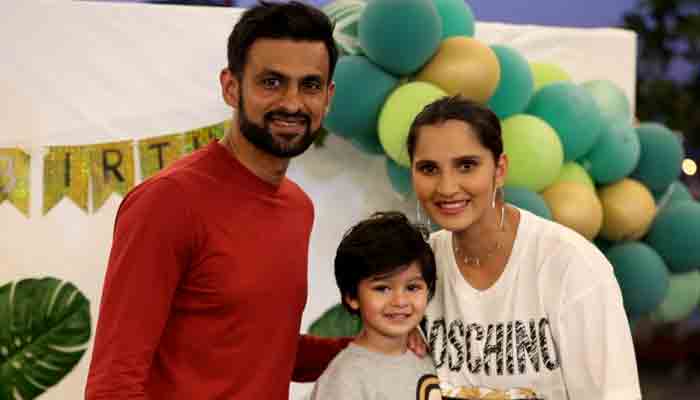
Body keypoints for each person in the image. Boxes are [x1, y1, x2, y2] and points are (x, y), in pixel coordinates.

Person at [85, 2, 350, 399]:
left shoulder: (297, 206)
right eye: (272, 82)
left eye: (309, 85)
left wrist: (380, 351)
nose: (293, 103)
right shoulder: (169, 201)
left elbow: (263, 347)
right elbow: (114, 382)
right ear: (231, 86)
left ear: (327, 97)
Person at [406, 95, 642, 400]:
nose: (447, 187)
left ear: (500, 169)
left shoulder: (571, 265)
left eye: (466, 165)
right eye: (428, 168)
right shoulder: (416, 269)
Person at [311, 211, 438, 400]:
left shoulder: (431, 356)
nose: (400, 301)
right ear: (352, 297)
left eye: (412, 287)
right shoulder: (346, 379)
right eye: (383, 289)